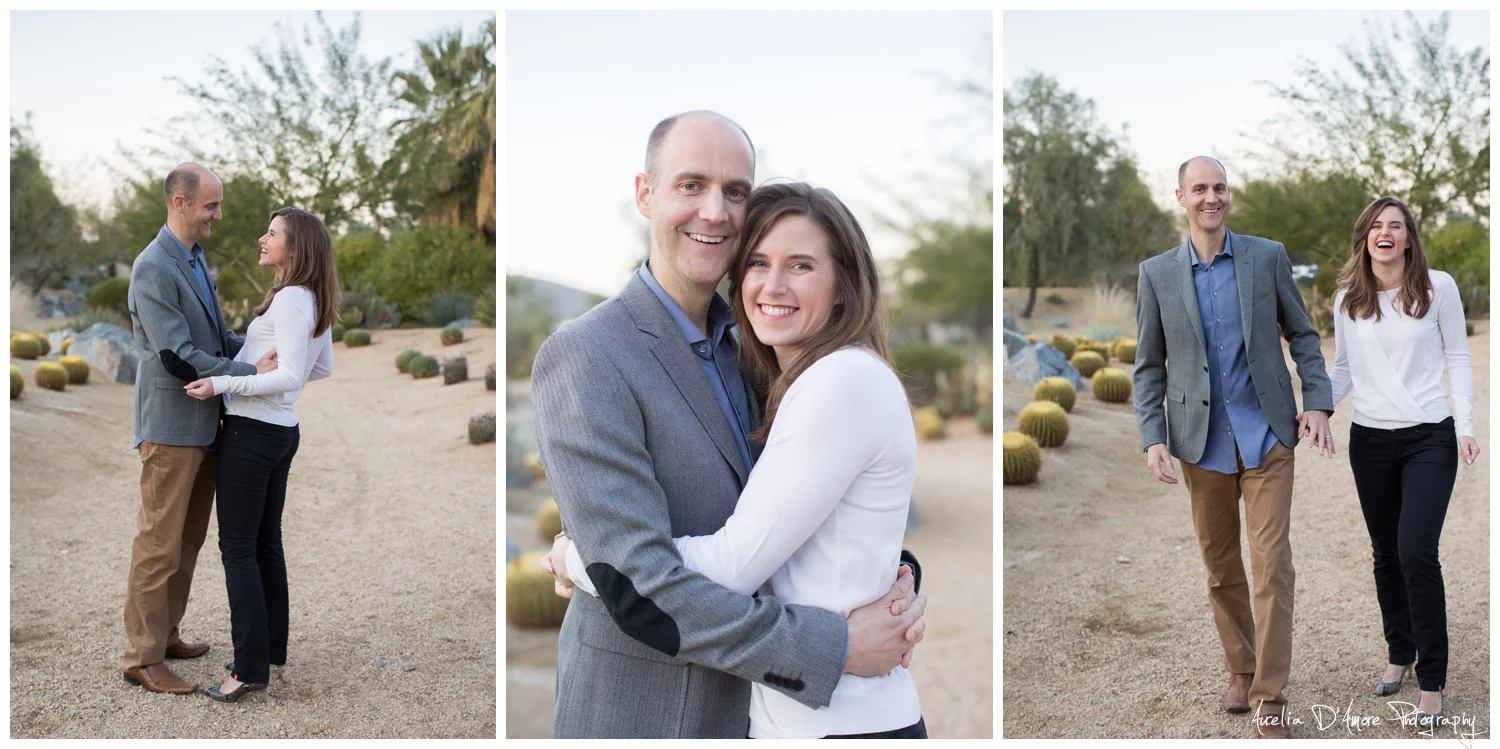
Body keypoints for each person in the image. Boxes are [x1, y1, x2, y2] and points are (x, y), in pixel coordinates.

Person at [529, 111, 925, 739]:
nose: (714, 211)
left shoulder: (761, 348)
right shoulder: (587, 355)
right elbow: (636, 580)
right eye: (691, 185)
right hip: (651, 712)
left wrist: (894, 579)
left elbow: (801, 515)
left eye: (735, 191)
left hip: (763, 714)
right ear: (645, 194)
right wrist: (837, 644)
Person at [1132, 156, 1333, 739]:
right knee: (1221, 569)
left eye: (1219, 188)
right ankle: (1240, 668)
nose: (1210, 198)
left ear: (1229, 196)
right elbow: (1148, 366)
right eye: (1200, 189)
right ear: (1181, 197)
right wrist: (1153, 437)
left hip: (1268, 435)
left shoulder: (1265, 257)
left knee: (1272, 565)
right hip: (1200, 445)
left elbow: (1302, 333)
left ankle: (1271, 693)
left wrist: (1316, 400)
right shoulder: (1157, 274)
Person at [123, 163, 278, 695]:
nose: (218, 215)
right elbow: (178, 357)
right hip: (170, 427)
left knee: (186, 542)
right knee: (157, 544)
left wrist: (261, 349)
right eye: (211, 205)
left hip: (207, 425)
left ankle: (166, 635)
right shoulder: (152, 266)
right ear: (181, 202)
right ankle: (142, 657)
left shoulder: (194, 257)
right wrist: (249, 373)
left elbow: (216, 337)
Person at [1326, 196, 1479, 730]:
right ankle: (1400, 651)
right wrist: (1316, 408)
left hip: (1429, 437)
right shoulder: (1347, 299)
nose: (1385, 232)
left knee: (1416, 550)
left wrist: (1465, 426)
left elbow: (1458, 357)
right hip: (1369, 441)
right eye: (1376, 225)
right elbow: (1342, 368)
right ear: (1364, 237)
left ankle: (1432, 679)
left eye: (1396, 225)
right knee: (1386, 554)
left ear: (1409, 238)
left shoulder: (1438, 288)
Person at [179, 207, 338, 702]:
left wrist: (230, 382)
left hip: (252, 434)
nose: (262, 239)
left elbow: (294, 373)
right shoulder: (312, 296)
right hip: (279, 433)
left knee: (240, 550)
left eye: (273, 234)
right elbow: (320, 368)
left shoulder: (291, 298)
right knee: (266, 543)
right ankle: (269, 650)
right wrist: (259, 374)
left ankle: (248, 669)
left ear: (296, 248)